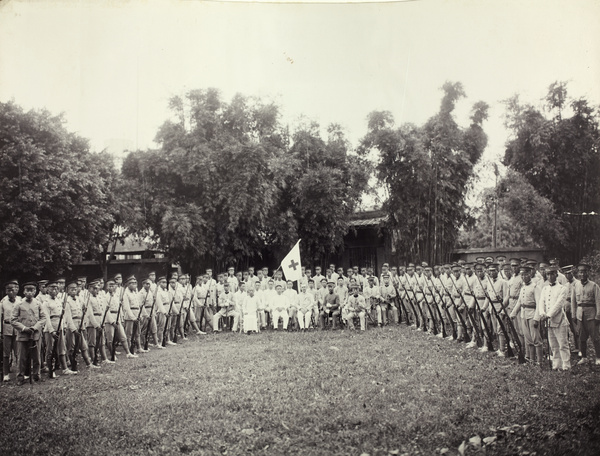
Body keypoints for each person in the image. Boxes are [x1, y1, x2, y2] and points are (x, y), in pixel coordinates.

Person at [11, 281, 47, 385]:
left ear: (35, 291)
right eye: (27, 290)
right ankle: (20, 377)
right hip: (23, 335)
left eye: (32, 290)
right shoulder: (19, 304)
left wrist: (35, 327)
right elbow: (13, 320)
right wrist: (24, 328)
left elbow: (43, 318)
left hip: (35, 334)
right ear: (23, 291)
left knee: (36, 356)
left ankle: (36, 375)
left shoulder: (38, 303)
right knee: (22, 357)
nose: (30, 292)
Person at [538, 265, 570, 370]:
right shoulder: (545, 289)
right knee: (553, 345)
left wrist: (548, 315)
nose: (550, 276)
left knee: (562, 344)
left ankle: (566, 365)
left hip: (560, 320)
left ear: (556, 275)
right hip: (549, 321)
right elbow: (541, 302)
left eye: (552, 274)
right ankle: (556, 365)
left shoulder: (562, 288)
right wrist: (542, 313)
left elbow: (559, 304)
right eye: (548, 274)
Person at [511, 266, 543, 364]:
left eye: (526, 274)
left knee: (536, 339)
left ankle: (539, 361)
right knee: (528, 339)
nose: (524, 277)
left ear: (530, 274)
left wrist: (537, 318)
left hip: (532, 315)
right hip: (523, 314)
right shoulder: (523, 287)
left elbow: (539, 304)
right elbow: (520, 302)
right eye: (522, 275)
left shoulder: (535, 287)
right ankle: (531, 360)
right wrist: (513, 313)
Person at [571, 264, 600, 365]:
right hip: (580, 314)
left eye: (584, 272)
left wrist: (598, 316)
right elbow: (573, 302)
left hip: (591, 315)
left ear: (588, 273)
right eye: (580, 272)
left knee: (595, 337)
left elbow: (598, 301)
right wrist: (573, 315)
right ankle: (584, 357)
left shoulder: (594, 286)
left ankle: (598, 357)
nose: (582, 274)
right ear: (578, 273)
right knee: (581, 337)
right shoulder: (576, 286)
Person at [1, 280, 20, 382]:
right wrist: (0, 331)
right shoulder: (3, 303)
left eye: (13, 289)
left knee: (18, 352)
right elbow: (0, 317)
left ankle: (19, 372)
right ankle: (6, 374)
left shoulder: (20, 301)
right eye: (8, 290)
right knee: (6, 353)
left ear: (16, 290)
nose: (11, 291)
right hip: (6, 330)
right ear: (6, 291)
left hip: (17, 330)